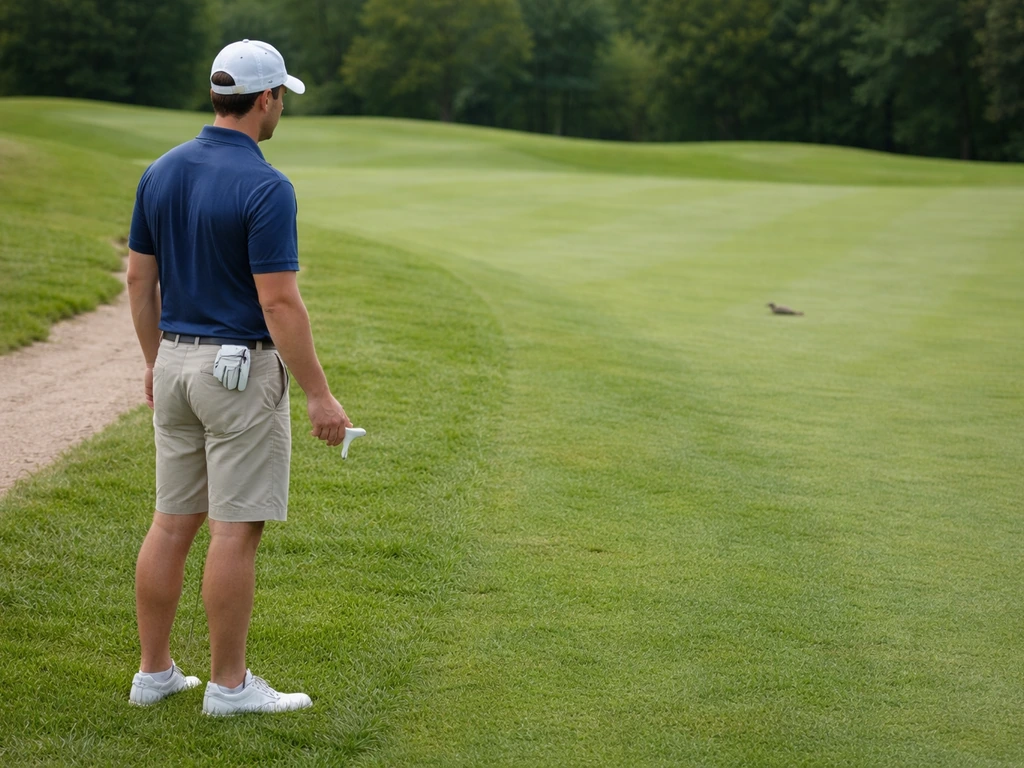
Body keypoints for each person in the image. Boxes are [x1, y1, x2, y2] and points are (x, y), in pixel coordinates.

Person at [125, 39, 351, 716]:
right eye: (281, 97)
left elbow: (140, 279)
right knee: (234, 530)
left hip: (174, 363)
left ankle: (154, 673)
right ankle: (228, 687)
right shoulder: (266, 185)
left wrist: (153, 359)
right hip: (237, 372)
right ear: (266, 100)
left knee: (171, 523)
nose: (281, 107)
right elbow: (279, 302)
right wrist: (318, 392)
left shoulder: (160, 171)